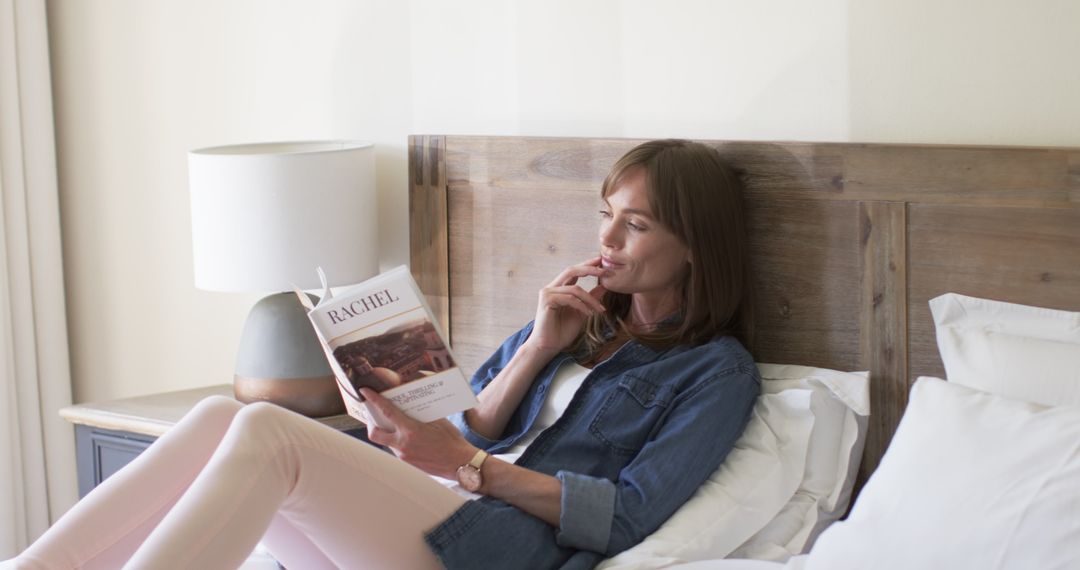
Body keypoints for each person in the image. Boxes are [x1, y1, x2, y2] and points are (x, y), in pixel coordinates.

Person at [4, 139, 760, 570]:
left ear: (695, 245)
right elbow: (467, 426)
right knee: (215, 417)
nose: (606, 240)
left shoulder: (716, 371)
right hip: (432, 501)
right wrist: (536, 348)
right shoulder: (575, 323)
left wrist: (471, 468)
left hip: (500, 545)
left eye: (636, 225)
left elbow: (625, 516)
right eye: (605, 215)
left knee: (269, 432)